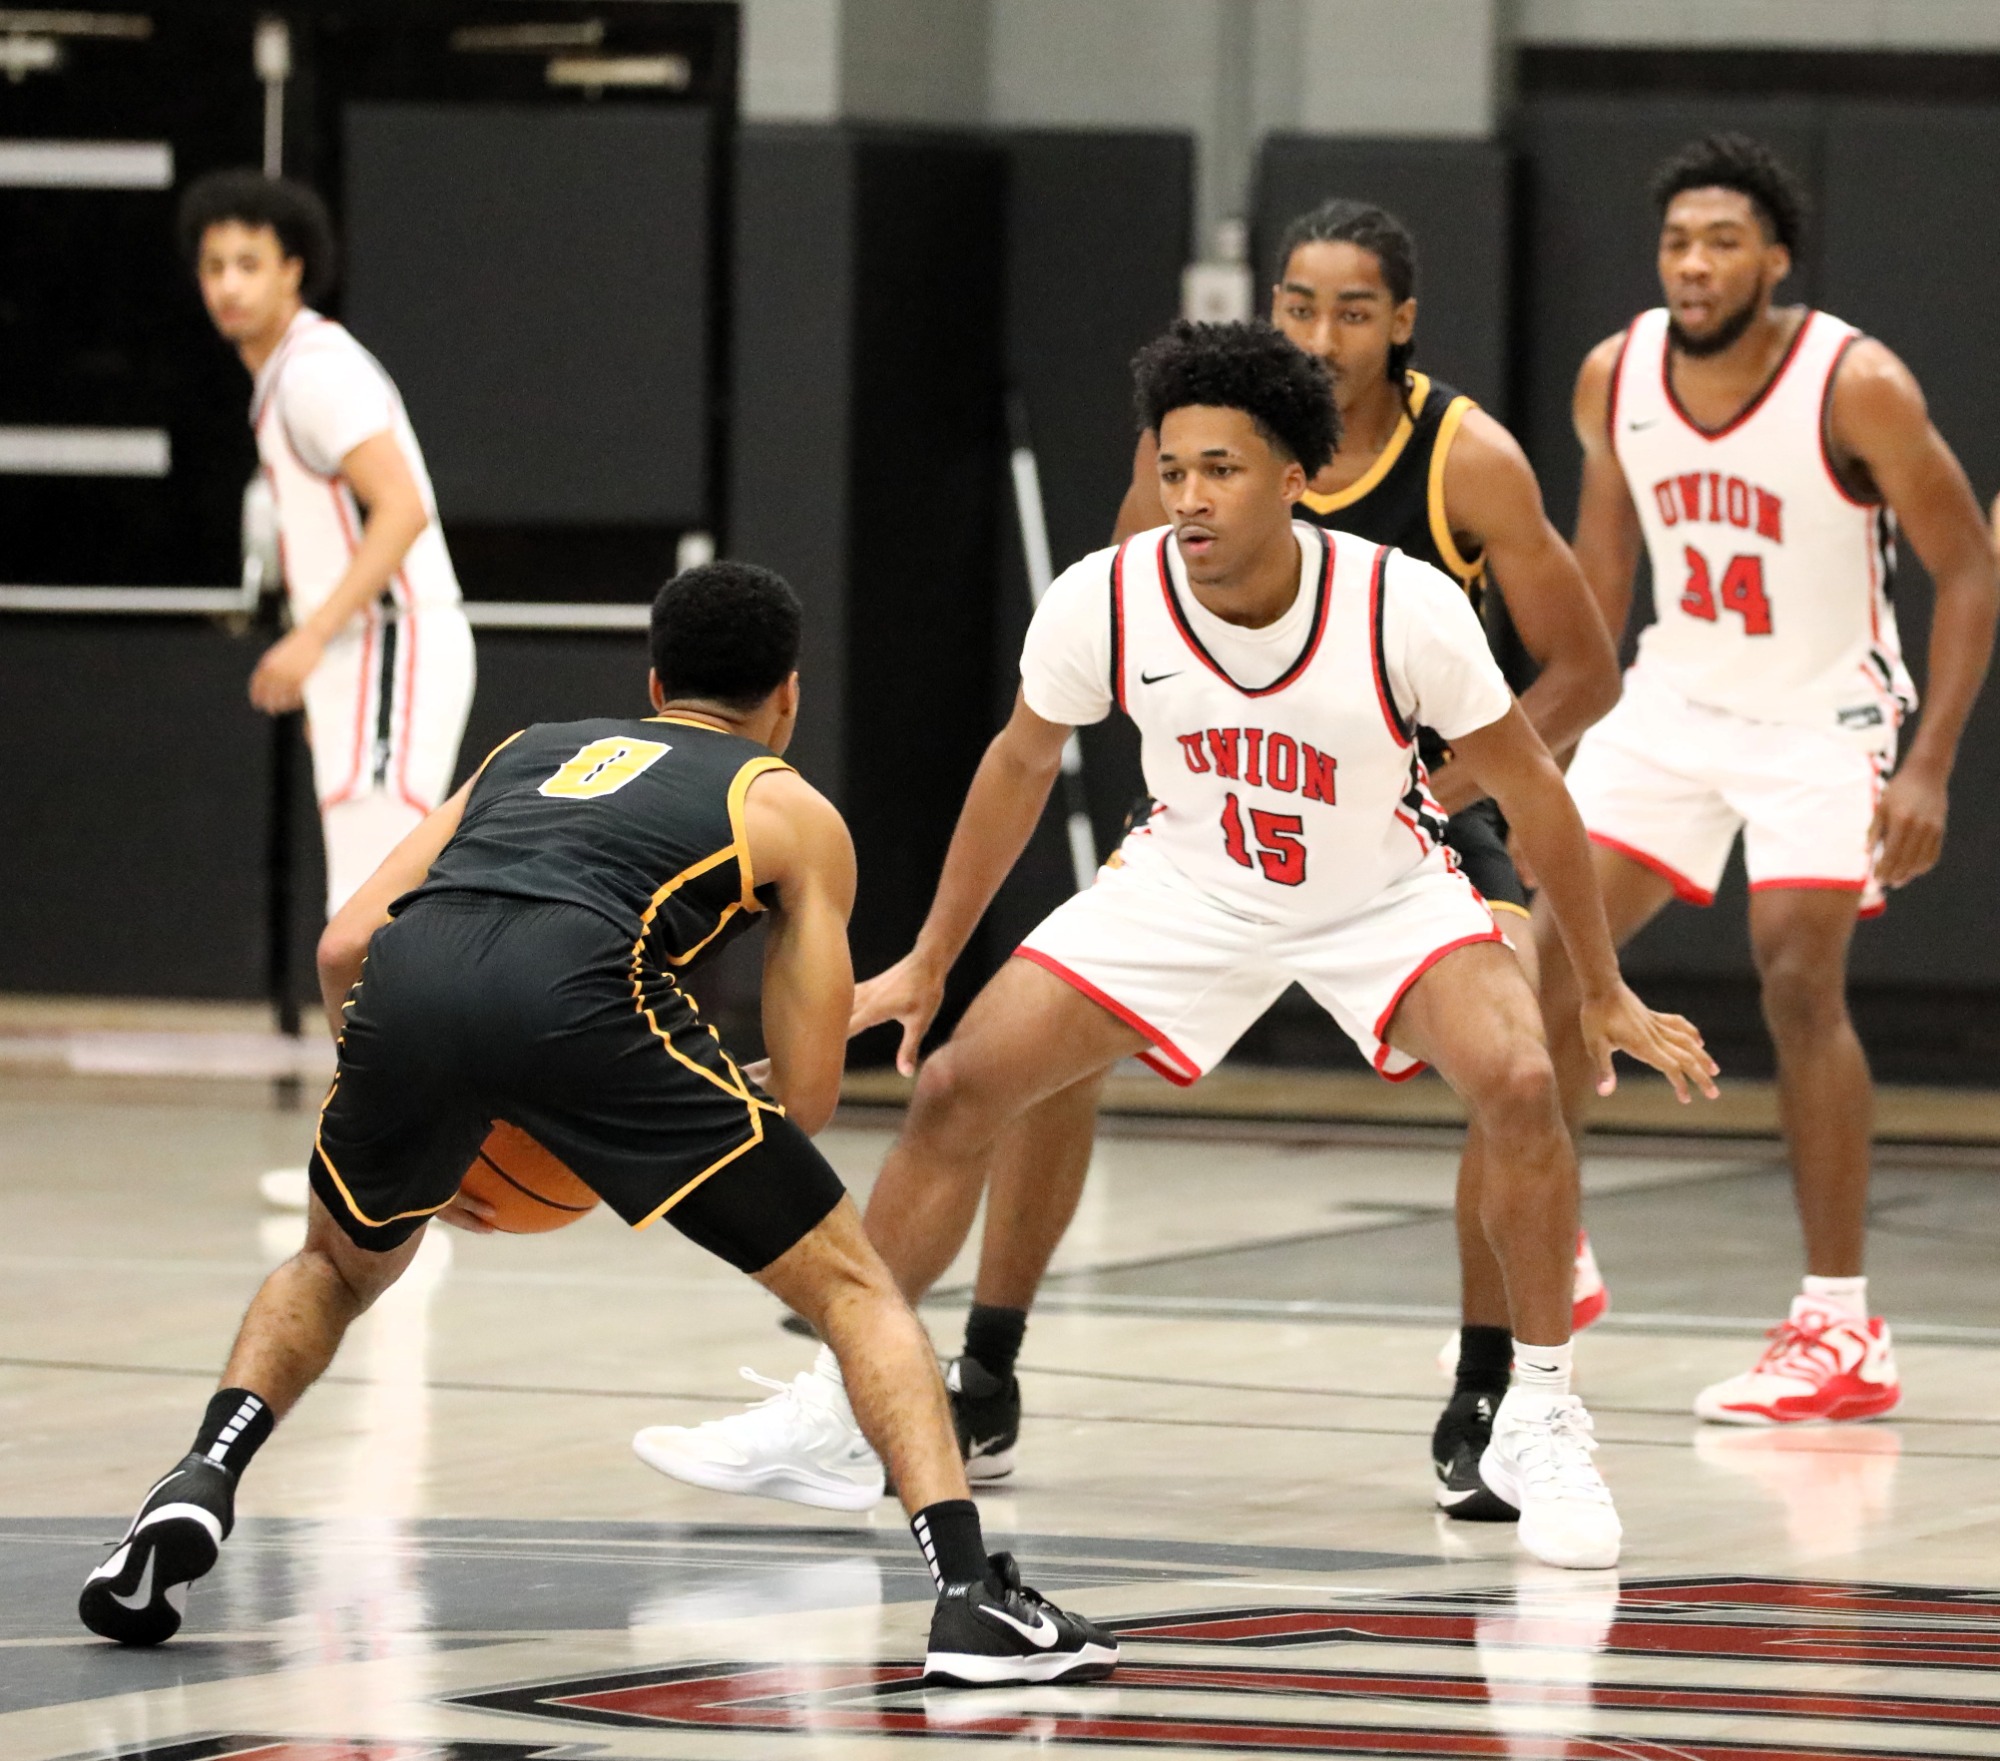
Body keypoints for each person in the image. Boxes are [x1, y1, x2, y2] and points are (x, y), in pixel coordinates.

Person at [638, 323, 1718, 1571]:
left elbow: (1534, 795)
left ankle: (1540, 1414)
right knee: (955, 1086)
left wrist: (1601, 988)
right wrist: (932, 958)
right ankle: (843, 1410)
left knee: (1522, 1084)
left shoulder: (1398, 603)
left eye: (1222, 469)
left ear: (1295, 478)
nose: (1189, 497)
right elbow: (1018, 762)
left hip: (1377, 888)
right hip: (1189, 881)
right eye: (1171, 470)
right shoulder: (1107, 593)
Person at [77, 564, 1116, 1688]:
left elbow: (342, 947)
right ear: (790, 699)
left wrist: (422, 1107)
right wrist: (672, 1098)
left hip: (414, 985)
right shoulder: (789, 809)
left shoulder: (524, 750)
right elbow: (807, 1096)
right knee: (855, 1287)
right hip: (587, 991)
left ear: (654, 681)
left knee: (334, 1264)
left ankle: (196, 1481)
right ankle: (970, 1597)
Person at [934, 199, 1623, 1520]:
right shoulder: (1198, 450)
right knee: (1049, 1051)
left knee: (1512, 1063)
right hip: (1232, 808)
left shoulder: (1464, 457)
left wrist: (1445, 781)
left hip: (1421, 800)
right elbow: (1129, 608)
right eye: (1299, 306)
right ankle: (988, 1369)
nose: (1322, 333)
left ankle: (1497, 1390)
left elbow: (1583, 668)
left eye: (1352, 310)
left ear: (1402, 322)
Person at [1543, 134, 1998, 1424]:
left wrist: (1926, 769)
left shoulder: (1854, 384)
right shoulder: (1611, 375)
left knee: (1796, 971)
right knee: (1539, 961)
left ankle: (1838, 1326)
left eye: (1722, 241)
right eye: (1677, 242)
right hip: (1672, 698)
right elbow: (1599, 576)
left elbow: (1967, 569)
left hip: (1821, 713)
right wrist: (1556, 729)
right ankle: (1548, 1236)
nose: (1693, 264)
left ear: (1774, 258)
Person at [179, 170, 476, 1210]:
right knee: (369, 912)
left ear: (293, 268)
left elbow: (400, 511)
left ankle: (396, 1159)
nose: (228, 284)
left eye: (248, 263)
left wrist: (308, 637)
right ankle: (395, 1148)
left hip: (388, 646)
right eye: (214, 265)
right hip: (366, 659)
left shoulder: (316, 372)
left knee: (373, 916)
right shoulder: (284, 377)